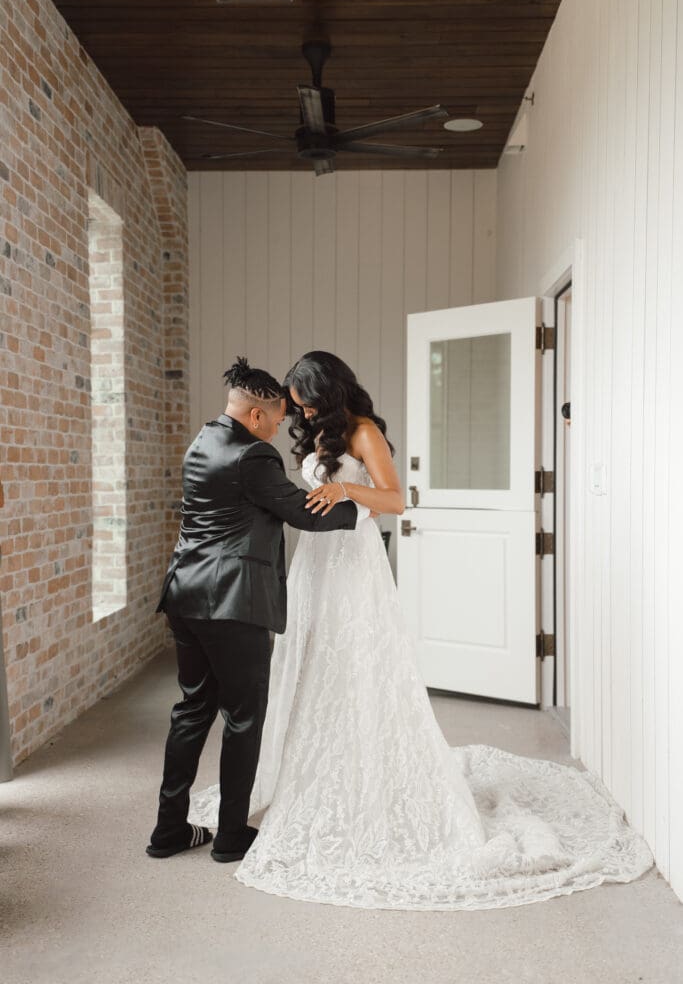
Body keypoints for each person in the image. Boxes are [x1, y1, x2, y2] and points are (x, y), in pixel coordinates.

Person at [190, 351, 653, 910]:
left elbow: (395, 500)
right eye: (297, 405)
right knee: (310, 667)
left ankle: (366, 779)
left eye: (307, 403)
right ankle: (307, 776)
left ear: (329, 393)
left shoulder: (364, 433)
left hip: (353, 566)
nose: (301, 413)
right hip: (314, 563)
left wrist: (346, 491)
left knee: (356, 667)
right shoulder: (319, 434)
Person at [147, 357, 368, 863]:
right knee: (244, 719)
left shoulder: (202, 441)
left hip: (184, 595)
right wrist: (363, 509)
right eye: (276, 419)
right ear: (255, 416)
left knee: (191, 711)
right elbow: (302, 514)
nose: (280, 428)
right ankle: (230, 837)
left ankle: (168, 830)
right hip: (232, 603)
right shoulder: (255, 455)